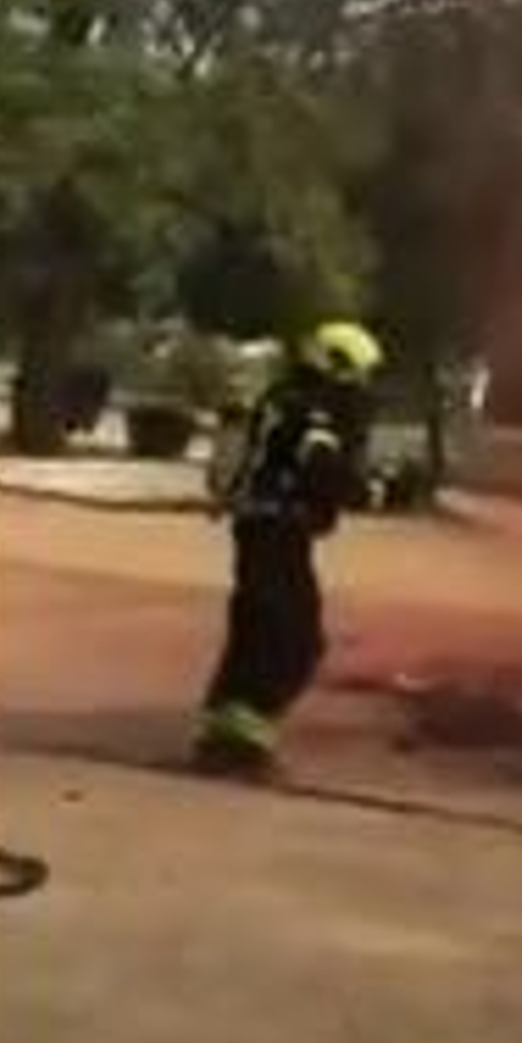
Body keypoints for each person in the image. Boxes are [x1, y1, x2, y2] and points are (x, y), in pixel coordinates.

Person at [193, 321, 384, 779]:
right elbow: (321, 468)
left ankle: (222, 736)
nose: (360, 390)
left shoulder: (283, 399)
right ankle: (240, 745)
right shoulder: (310, 412)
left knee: (256, 631)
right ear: (335, 369)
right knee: (293, 640)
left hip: (263, 528)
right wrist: (376, 492)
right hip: (276, 530)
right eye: (357, 378)